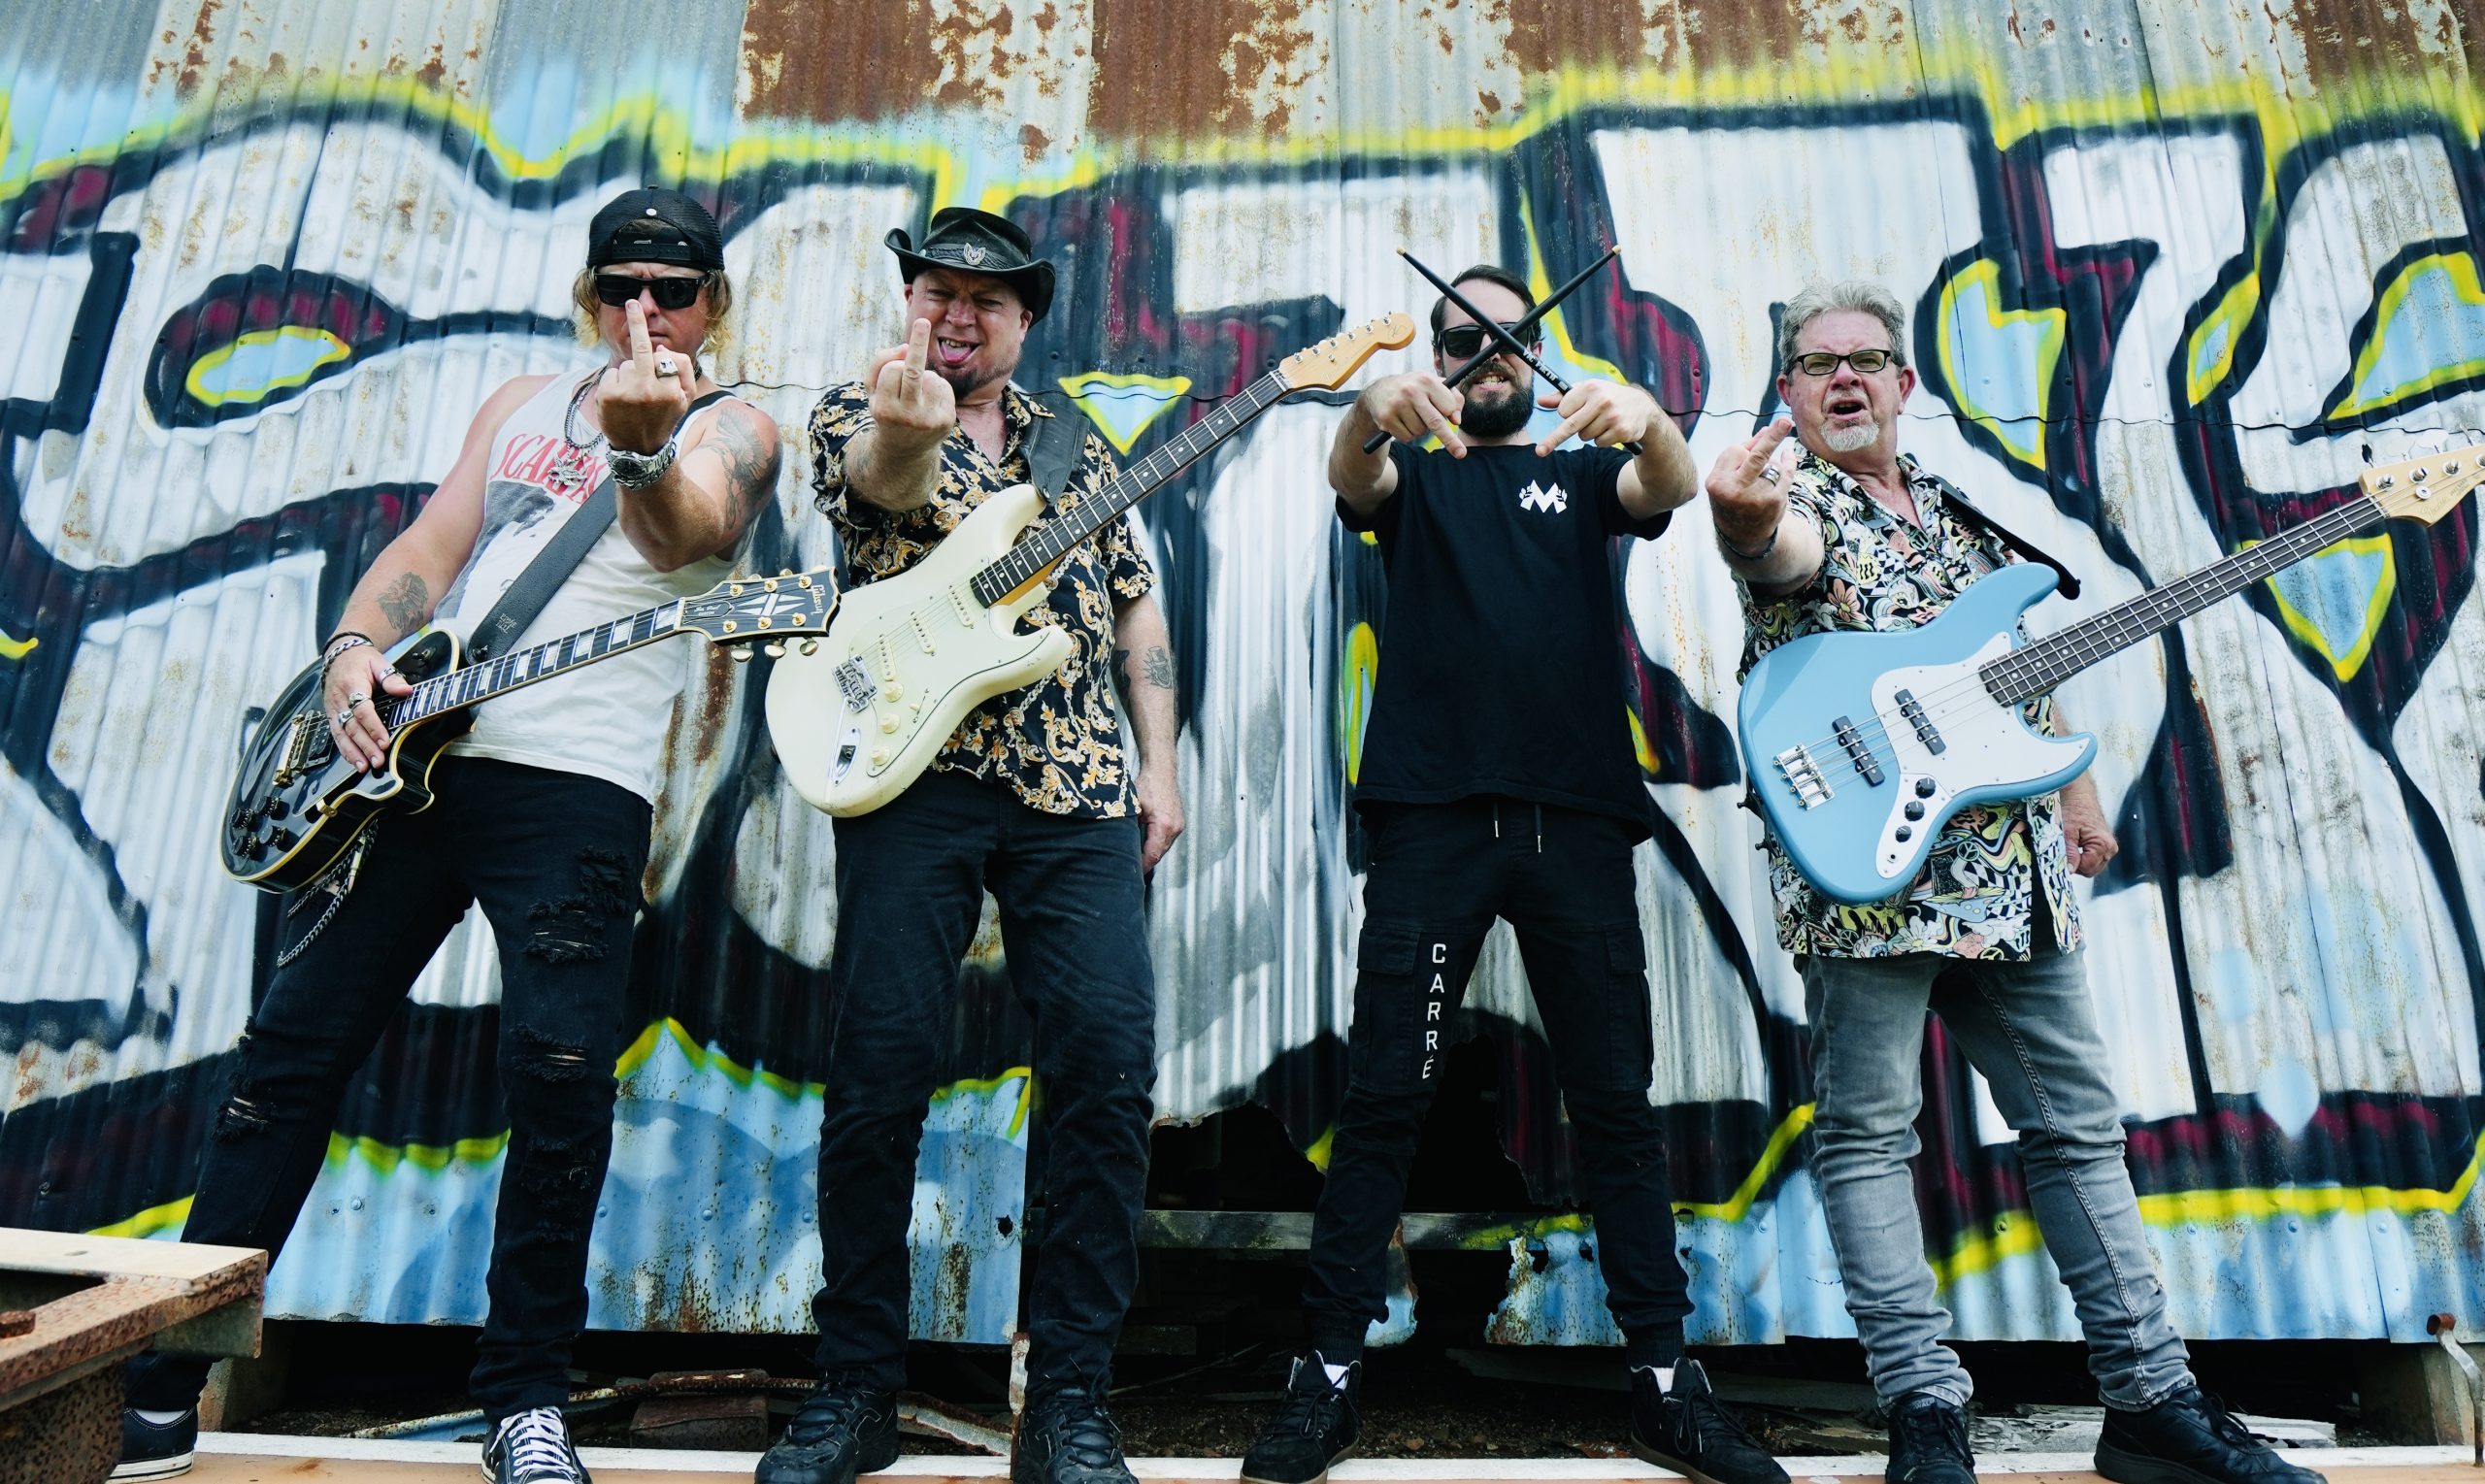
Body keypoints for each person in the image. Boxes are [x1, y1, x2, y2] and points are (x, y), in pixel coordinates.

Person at [112, 187, 781, 1484]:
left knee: (559, 1082)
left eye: (674, 290)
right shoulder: (522, 404)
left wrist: (643, 454)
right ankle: (159, 1384)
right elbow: (428, 546)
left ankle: (524, 1399)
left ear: (714, 305)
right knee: (286, 1060)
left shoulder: (733, 428)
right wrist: (351, 649)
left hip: (576, 788)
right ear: (589, 296)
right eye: (621, 287)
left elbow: (690, 534)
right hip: (417, 770)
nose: (645, 312)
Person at [1708, 280, 2324, 1484]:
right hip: (1868, 872)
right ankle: (1924, 1411)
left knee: (2077, 1129)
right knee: (1868, 1136)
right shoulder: (1795, 499)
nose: (1844, 378)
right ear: (1789, 389)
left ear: (1903, 383)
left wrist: (2076, 790)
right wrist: (1740, 520)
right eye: (1818, 363)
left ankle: (2150, 1402)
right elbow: (1775, 557)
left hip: (2010, 876)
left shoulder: (1965, 516)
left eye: (1866, 359)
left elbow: (2014, 666)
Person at [1237, 266, 1786, 1484]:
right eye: (1459, 338)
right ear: (1435, 357)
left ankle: (1663, 1381)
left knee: (1615, 1102)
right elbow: (1353, 477)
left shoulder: (1583, 474)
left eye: (1506, 337)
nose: (1483, 353)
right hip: (1433, 823)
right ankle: (1325, 1372)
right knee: (1384, 1093)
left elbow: (1666, 485)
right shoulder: (1415, 474)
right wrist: (1366, 407)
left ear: (1535, 355)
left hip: (1575, 823)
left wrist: (1647, 417)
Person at [757, 208, 1181, 1484]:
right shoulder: (864, 407)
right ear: (911, 303)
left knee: (1106, 1073)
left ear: (1024, 320)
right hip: (913, 778)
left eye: (985, 299)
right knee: (879, 1072)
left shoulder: (1077, 443)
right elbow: (880, 484)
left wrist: (1160, 765)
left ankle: (1069, 1403)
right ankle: (856, 1392)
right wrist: (910, 428)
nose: (955, 314)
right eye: (936, 290)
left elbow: (1134, 604)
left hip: (1077, 788)